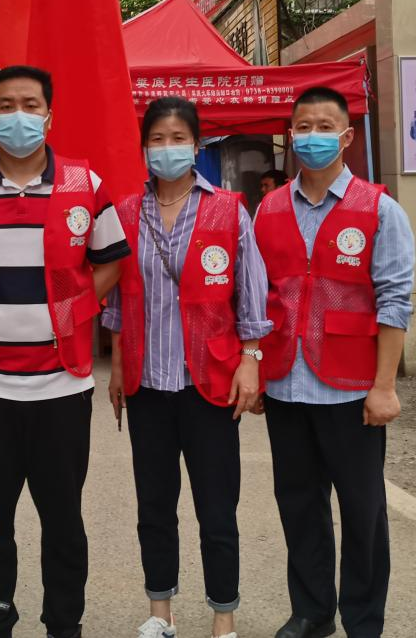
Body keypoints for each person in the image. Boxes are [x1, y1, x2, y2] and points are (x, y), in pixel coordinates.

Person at [0, 64, 130, 638]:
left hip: (62, 384)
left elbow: (110, 261)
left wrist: (72, 311)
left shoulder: (84, 184)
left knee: (63, 520)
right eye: (7, 105)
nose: (19, 115)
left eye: (30, 105)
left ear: (49, 114)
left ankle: (64, 624)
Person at [103, 97, 271, 638]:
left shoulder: (228, 209)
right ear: (144, 148)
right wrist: (117, 369)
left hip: (210, 382)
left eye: (178, 138)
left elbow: (251, 294)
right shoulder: (127, 212)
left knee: (217, 508)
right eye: (157, 139)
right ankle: (161, 613)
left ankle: (224, 616)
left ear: (196, 146)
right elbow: (117, 300)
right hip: (148, 383)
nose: (167, 148)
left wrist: (250, 361)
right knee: (154, 506)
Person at [254, 87, 415, 638]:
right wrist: (257, 369)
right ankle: (312, 611)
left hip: (350, 387)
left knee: (362, 510)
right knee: (299, 504)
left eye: (325, 127)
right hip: (286, 383)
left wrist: (384, 386)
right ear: (290, 135)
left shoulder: (379, 209)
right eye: (303, 127)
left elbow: (395, 301)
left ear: (346, 137)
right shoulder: (269, 208)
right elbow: (259, 299)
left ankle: (363, 620)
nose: (312, 136)